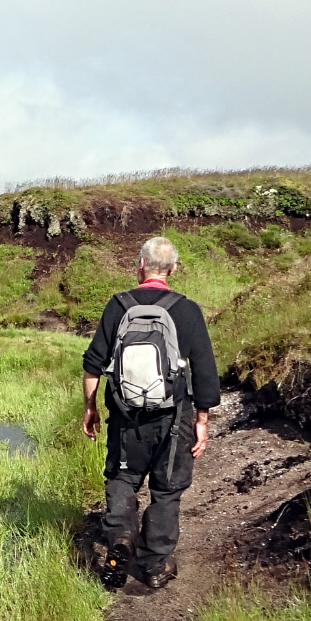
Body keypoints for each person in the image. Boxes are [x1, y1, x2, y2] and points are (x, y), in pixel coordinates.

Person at [81, 236, 220, 590]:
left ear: (141, 264)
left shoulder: (119, 305)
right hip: (174, 419)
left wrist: (90, 407)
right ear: (172, 269)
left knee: (122, 478)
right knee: (167, 489)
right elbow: (204, 371)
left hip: (126, 419)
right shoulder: (187, 310)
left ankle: (121, 537)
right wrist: (201, 423)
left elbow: (93, 363)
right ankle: (155, 566)